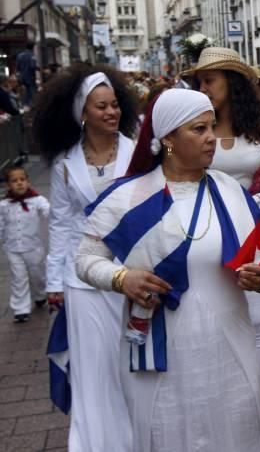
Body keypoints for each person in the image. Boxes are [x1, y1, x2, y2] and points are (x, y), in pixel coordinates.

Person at [74, 89, 260, 452]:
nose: (211, 138)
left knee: (236, 426)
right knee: (168, 432)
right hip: (164, 350)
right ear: (169, 138)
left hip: (229, 344)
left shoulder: (230, 191)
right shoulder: (130, 196)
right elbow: (84, 260)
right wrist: (121, 278)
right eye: (199, 129)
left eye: (212, 127)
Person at [181, 46, 260, 426]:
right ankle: (222, 401)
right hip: (205, 241)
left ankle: (258, 407)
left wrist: (254, 202)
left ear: (232, 83)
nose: (203, 86)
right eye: (199, 81)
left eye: (209, 79)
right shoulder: (196, 126)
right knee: (215, 322)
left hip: (257, 240)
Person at [34, 65, 137, 451]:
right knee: (93, 366)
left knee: (129, 361)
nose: (112, 113)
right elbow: (60, 225)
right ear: (83, 113)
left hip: (131, 271)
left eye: (114, 105)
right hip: (82, 278)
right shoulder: (65, 163)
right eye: (101, 107)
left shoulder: (139, 151)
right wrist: (55, 283)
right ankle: (94, 441)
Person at [0, 166, 49, 322]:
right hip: (12, 248)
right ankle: (20, 309)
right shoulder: (3, 205)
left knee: (38, 275)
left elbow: (49, 211)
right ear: (8, 185)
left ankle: (40, 295)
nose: (19, 183)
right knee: (18, 277)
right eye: (14, 181)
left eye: (22, 179)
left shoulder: (37, 200)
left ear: (28, 181)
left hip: (34, 248)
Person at [15, 42, 37, 107]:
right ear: (32, 48)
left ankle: (23, 106)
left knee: (23, 93)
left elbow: (17, 67)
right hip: (30, 78)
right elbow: (33, 66)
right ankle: (30, 107)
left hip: (21, 78)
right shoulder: (32, 56)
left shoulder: (19, 55)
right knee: (31, 94)